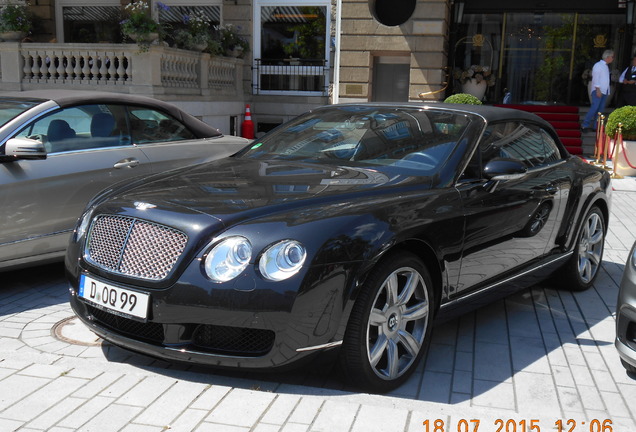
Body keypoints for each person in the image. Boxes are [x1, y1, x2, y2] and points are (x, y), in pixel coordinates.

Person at [581, 49, 615, 133]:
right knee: (595, 107)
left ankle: (596, 126)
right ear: (607, 57)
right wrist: (598, 89)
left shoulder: (605, 66)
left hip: (604, 91)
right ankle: (585, 124)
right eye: (612, 57)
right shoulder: (598, 65)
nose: (613, 58)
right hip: (598, 90)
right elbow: (595, 78)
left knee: (600, 110)